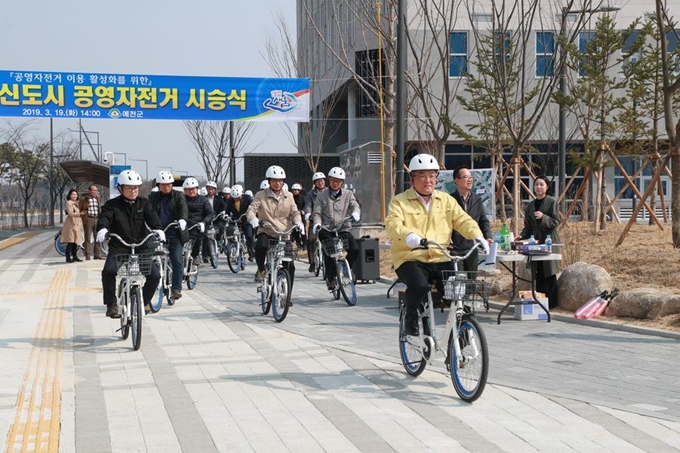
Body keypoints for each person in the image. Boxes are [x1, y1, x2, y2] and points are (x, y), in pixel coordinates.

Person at [385, 154, 488, 336]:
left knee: (456, 294)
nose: (428, 180)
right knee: (419, 287)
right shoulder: (399, 201)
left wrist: (478, 235)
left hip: (440, 257)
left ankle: (461, 339)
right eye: (422, 176)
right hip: (410, 258)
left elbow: (462, 219)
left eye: (432, 176)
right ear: (412, 179)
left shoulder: (446, 200)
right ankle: (410, 318)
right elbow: (393, 224)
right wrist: (408, 236)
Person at [95, 170, 165, 318]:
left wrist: (158, 229)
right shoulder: (112, 205)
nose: (133, 191)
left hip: (141, 246)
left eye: (135, 188)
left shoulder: (143, 203)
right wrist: (102, 228)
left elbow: (152, 217)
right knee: (108, 271)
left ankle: (144, 301)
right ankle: (112, 304)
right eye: (129, 188)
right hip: (120, 246)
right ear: (120, 188)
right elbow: (105, 217)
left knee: (155, 275)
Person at [246, 165, 304, 292]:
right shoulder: (261, 195)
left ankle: (288, 293)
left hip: (284, 233)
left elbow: (294, 212)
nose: (278, 183)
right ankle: (261, 269)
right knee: (260, 247)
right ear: (269, 181)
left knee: (290, 265)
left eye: (280, 180)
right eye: (274, 180)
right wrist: (253, 219)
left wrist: (299, 223)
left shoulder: (288, 195)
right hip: (266, 231)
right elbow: (251, 210)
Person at [312, 167, 361, 290]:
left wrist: (356, 213)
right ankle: (331, 278)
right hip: (327, 229)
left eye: (338, 181)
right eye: (333, 180)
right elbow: (317, 213)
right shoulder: (321, 196)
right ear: (329, 180)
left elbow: (354, 205)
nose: (335, 183)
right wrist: (317, 224)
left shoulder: (348, 194)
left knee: (355, 249)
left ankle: (346, 269)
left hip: (343, 228)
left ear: (342, 182)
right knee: (329, 250)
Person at [516, 176, 561, 308]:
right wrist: (521, 236)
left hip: (549, 240)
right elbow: (528, 227)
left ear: (547, 187)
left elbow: (556, 221)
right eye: (536, 185)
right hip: (534, 242)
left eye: (542, 184)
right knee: (538, 272)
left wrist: (543, 217)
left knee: (549, 271)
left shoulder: (552, 202)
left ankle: (551, 304)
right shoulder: (530, 206)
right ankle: (540, 302)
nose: (538, 187)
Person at [148, 170, 189, 301]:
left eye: (169, 184)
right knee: (150, 259)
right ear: (159, 185)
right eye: (164, 184)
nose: (167, 187)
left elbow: (183, 208)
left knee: (177, 260)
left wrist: (183, 219)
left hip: (175, 233)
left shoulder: (179, 195)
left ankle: (176, 289)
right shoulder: (153, 197)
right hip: (158, 234)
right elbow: (149, 211)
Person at [450, 166, 493, 275]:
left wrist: (487, 237)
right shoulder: (450, 200)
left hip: (472, 247)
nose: (470, 180)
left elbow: (483, 221)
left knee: (472, 282)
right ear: (457, 180)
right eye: (465, 177)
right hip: (455, 248)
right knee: (458, 282)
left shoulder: (477, 200)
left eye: (471, 177)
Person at [183, 177, 214, 265]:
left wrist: (204, 222)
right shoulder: (182, 199)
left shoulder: (203, 200)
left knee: (198, 238)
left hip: (198, 225)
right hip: (185, 224)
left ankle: (195, 255)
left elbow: (210, 213)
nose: (191, 191)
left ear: (197, 189)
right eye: (188, 189)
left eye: (193, 189)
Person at [303, 172, 327, 272]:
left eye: (322, 181)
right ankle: (312, 263)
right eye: (318, 181)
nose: (320, 183)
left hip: (327, 221)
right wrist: (308, 214)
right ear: (314, 183)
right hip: (314, 221)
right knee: (311, 240)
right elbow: (308, 205)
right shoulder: (310, 194)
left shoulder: (329, 192)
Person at [225, 184, 254, 260]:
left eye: (238, 198)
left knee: (249, 236)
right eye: (234, 198)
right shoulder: (230, 200)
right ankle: (230, 246)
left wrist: (249, 215)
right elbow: (227, 210)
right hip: (235, 220)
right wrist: (226, 215)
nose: (236, 199)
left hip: (246, 220)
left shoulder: (247, 198)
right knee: (229, 230)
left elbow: (253, 208)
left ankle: (251, 251)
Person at [203, 180, 226, 262]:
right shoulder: (203, 198)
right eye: (209, 189)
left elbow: (223, 206)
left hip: (217, 218)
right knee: (205, 235)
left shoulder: (219, 199)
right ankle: (205, 255)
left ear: (215, 190)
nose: (210, 191)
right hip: (207, 219)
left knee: (221, 227)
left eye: (212, 189)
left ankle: (219, 240)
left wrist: (223, 211)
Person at [79, 184, 103, 260]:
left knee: (97, 237)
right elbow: (81, 208)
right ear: (89, 191)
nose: (95, 192)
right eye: (93, 190)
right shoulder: (84, 199)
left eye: (96, 190)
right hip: (88, 219)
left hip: (97, 218)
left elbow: (99, 208)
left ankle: (97, 254)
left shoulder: (98, 198)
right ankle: (88, 255)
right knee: (88, 238)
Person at [62, 189, 84, 263]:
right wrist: (80, 214)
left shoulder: (75, 203)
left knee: (75, 241)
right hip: (71, 224)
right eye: (73, 194)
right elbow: (70, 213)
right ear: (70, 195)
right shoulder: (69, 203)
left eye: (75, 194)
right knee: (70, 242)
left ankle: (75, 256)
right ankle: (68, 257)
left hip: (76, 224)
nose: (74, 196)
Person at [290, 183, 306, 249]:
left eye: (297, 190)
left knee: (302, 230)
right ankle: (298, 243)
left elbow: (306, 205)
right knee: (295, 231)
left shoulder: (303, 198)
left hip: (301, 217)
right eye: (294, 190)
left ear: (299, 191)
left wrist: (303, 210)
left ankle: (305, 243)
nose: (295, 191)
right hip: (292, 217)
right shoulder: (290, 198)